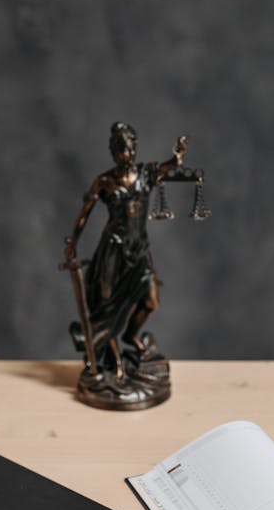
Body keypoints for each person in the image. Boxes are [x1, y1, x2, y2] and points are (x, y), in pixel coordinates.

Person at [63, 122, 189, 390]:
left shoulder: (146, 174)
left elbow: (168, 168)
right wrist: (73, 241)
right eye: (120, 149)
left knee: (151, 300)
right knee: (107, 309)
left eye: (129, 148)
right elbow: (85, 213)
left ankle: (131, 336)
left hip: (139, 251)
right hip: (113, 252)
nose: (126, 154)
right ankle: (115, 361)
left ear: (135, 149)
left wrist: (177, 157)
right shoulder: (105, 181)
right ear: (113, 152)